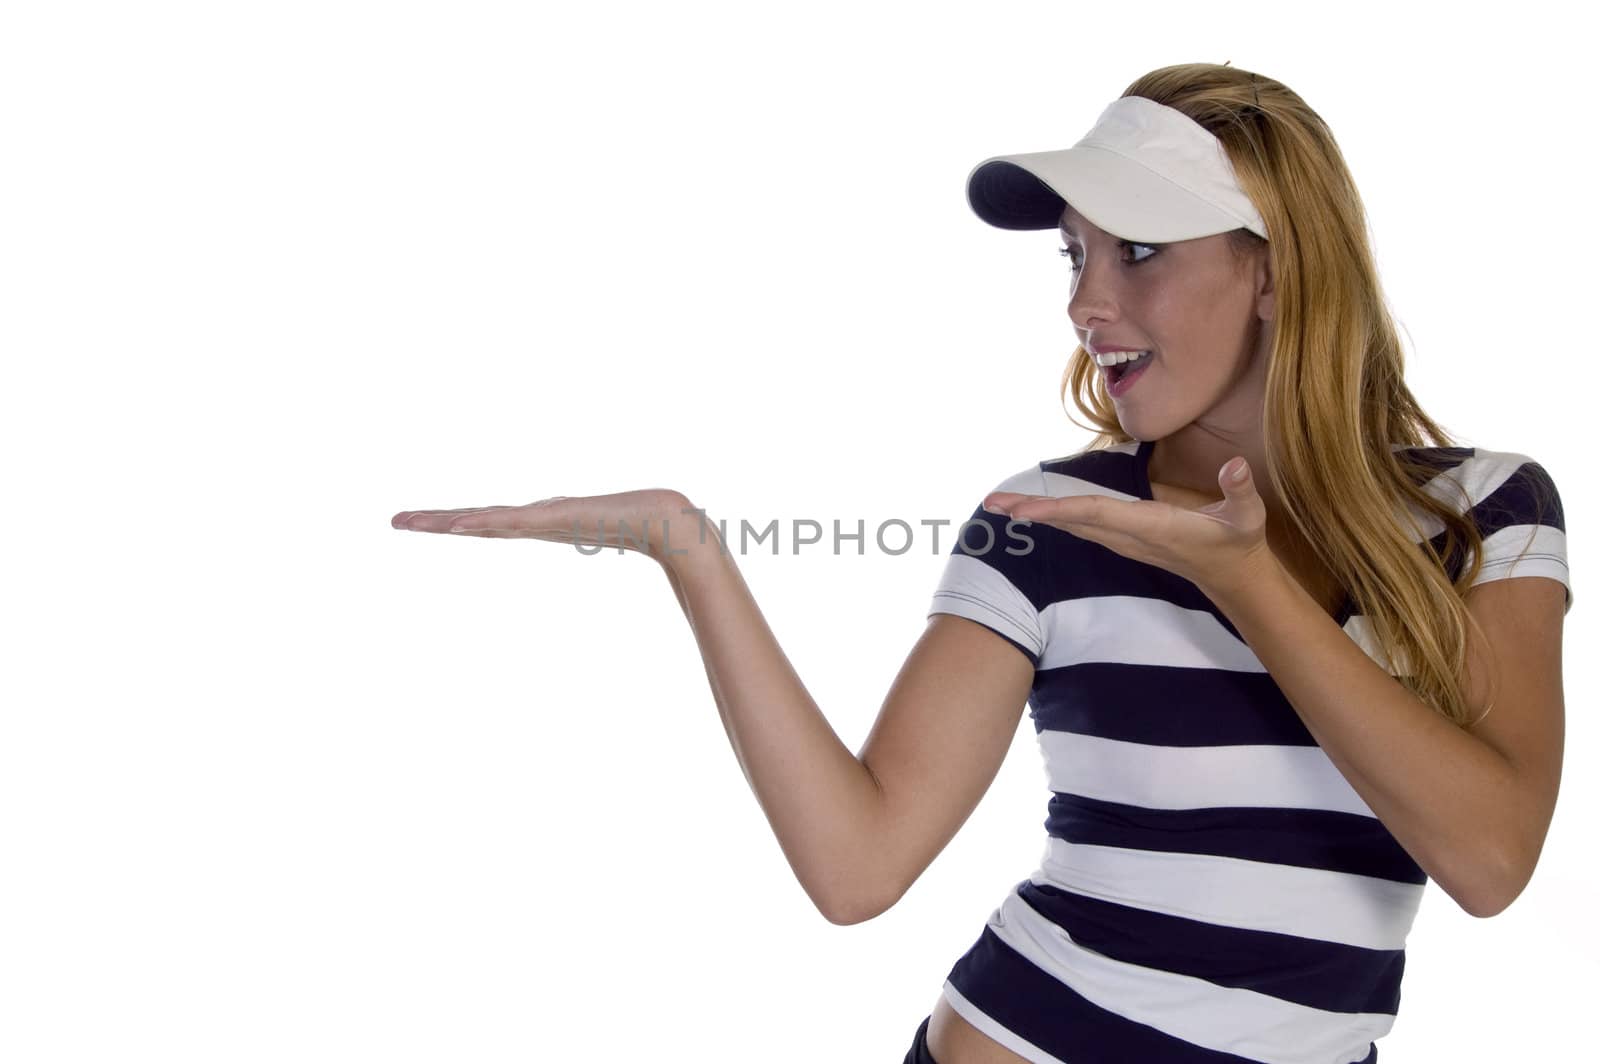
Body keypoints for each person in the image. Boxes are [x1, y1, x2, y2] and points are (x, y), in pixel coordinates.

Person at [390, 62, 1572, 1064]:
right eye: (1073, 257)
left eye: (1142, 250)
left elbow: (1487, 856)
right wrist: (689, 552)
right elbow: (858, 867)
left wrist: (1246, 578)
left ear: (1275, 267)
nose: (1088, 306)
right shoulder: (1050, 519)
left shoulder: (1480, 511)